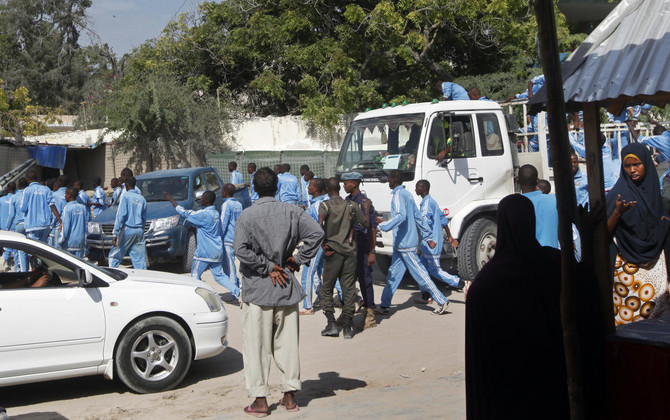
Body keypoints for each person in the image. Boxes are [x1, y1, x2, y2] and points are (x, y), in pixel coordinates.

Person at [465, 194, 568, 420]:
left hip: (506, 394)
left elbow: (479, 361)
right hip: (552, 386)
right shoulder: (555, 265)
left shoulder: (485, 284)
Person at [233, 167, 323, 416]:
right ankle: (290, 397)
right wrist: (294, 260)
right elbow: (317, 234)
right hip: (285, 288)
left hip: (258, 291)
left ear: (254, 188)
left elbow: (240, 250)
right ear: (278, 188)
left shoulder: (247, 215)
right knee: (287, 345)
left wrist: (267, 266)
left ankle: (260, 402)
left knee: (256, 348)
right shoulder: (293, 211)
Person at [607, 143, 670, 325]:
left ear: (647, 165)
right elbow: (603, 232)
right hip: (629, 275)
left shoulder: (653, 192)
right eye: (628, 166)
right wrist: (617, 213)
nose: (632, 170)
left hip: (656, 268)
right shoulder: (618, 194)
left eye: (637, 164)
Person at [377, 170, 451, 315]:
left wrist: (382, 226)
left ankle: (442, 300)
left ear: (393, 178)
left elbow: (400, 216)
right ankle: (384, 305)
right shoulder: (408, 195)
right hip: (401, 245)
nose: (388, 181)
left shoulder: (398, 195)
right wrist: (428, 236)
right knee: (393, 274)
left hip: (406, 244)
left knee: (420, 273)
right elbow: (419, 218)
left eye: (389, 178)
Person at [318, 177, 370, 339]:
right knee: (348, 289)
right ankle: (348, 326)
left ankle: (331, 323)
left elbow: (319, 226)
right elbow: (366, 224)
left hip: (332, 252)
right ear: (339, 188)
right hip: (350, 253)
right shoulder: (351, 205)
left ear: (327, 189)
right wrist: (366, 209)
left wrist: (323, 245)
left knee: (327, 288)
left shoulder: (324, 205)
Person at [164, 189, 240, 299]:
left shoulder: (203, 214)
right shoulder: (215, 213)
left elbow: (185, 213)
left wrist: (171, 200)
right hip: (217, 250)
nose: (201, 199)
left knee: (195, 275)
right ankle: (236, 291)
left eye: (203, 197)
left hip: (204, 252)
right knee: (219, 275)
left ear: (207, 200)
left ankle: (198, 298)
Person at [343, 172, 379, 329]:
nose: (344, 185)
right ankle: (348, 312)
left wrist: (372, 251)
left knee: (365, 280)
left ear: (355, 184)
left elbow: (372, 228)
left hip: (363, 246)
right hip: (350, 247)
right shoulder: (347, 200)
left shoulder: (364, 202)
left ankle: (370, 313)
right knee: (348, 280)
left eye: (346, 183)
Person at [415, 180, 462, 296]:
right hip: (431, 243)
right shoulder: (432, 202)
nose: (415, 189)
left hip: (431, 243)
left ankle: (460, 283)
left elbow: (424, 224)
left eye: (417, 187)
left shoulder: (426, 204)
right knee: (421, 269)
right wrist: (450, 237)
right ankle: (425, 295)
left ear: (423, 188)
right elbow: (443, 220)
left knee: (434, 270)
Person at [300, 177, 329, 315]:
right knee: (322, 271)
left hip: (316, 244)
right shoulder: (321, 202)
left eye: (310, 185)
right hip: (322, 243)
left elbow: (320, 226)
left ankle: (307, 306)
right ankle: (347, 298)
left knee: (308, 273)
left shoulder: (318, 205)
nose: (308, 187)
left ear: (316, 189)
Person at [108, 176, 147, 269]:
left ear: (126, 184)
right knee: (140, 260)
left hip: (127, 229)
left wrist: (115, 233)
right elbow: (144, 218)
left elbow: (121, 215)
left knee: (114, 256)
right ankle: (143, 279)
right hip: (139, 230)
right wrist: (141, 230)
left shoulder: (126, 196)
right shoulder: (142, 199)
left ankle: (111, 274)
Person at [517, 164, 559, 248]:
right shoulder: (555, 201)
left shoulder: (513, 205)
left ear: (517, 180)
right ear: (538, 181)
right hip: (552, 256)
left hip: (527, 258)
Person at [635, 124, 670, 213]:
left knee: (661, 187)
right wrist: (658, 159)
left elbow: (640, 140)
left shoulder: (661, 139)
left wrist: (631, 127)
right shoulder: (668, 136)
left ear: (658, 133)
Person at [20, 170, 62, 243]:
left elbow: (23, 208)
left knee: (32, 250)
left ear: (27, 179)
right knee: (42, 250)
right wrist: (60, 221)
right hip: (45, 225)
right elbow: (52, 205)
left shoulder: (27, 190)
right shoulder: (46, 189)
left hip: (32, 225)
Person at [220, 183, 243, 297]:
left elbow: (223, 223)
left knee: (230, 267)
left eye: (222, 190)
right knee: (232, 266)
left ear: (225, 192)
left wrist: (219, 237)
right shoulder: (238, 204)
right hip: (237, 238)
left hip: (228, 240)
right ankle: (239, 286)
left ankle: (235, 293)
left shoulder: (226, 205)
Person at [6, 178, 28, 271]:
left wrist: (7, 227)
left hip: (19, 225)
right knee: (31, 249)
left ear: (18, 186)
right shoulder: (29, 194)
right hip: (30, 224)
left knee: (20, 251)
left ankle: (22, 271)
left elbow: (11, 215)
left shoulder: (14, 197)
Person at [59, 188, 87, 258]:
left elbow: (65, 226)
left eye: (65, 194)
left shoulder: (67, 208)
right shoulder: (83, 207)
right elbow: (86, 225)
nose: (64, 196)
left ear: (69, 195)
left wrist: (60, 240)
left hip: (69, 244)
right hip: (80, 242)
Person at [0, 182, 16, 270]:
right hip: (14, 227)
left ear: (8, 189)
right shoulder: (16, 198)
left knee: (6, 247)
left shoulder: (1, 200)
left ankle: (4, 262)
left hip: (3, 226)